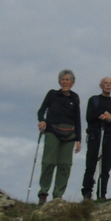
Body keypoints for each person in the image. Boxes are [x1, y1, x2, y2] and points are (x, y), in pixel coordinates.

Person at [35, 69, 82, 204]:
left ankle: (58, 196)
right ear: (59, 82)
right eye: (62, 79)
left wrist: (78, 139)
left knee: (65, 165)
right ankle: (43, 193)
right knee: (48, 162)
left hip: (70, 134)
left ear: (72, 83)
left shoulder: (75, 97)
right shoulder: (52, 94)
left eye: (67, 80)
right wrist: (42, 120)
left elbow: (77, 118)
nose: (65, 82)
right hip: (52, 131)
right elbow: (41, 110)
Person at [82, 77, 111, 201]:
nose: (108, 85)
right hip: (95, 136)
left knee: (106, 167)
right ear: (101, 85)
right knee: (91, 165)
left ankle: (102, 194)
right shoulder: (94, 100)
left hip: (109, 137)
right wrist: (101, 115)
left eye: (110, 84)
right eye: (105, 83)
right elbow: (89, 117)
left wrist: (110, 119)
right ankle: (87, 192)